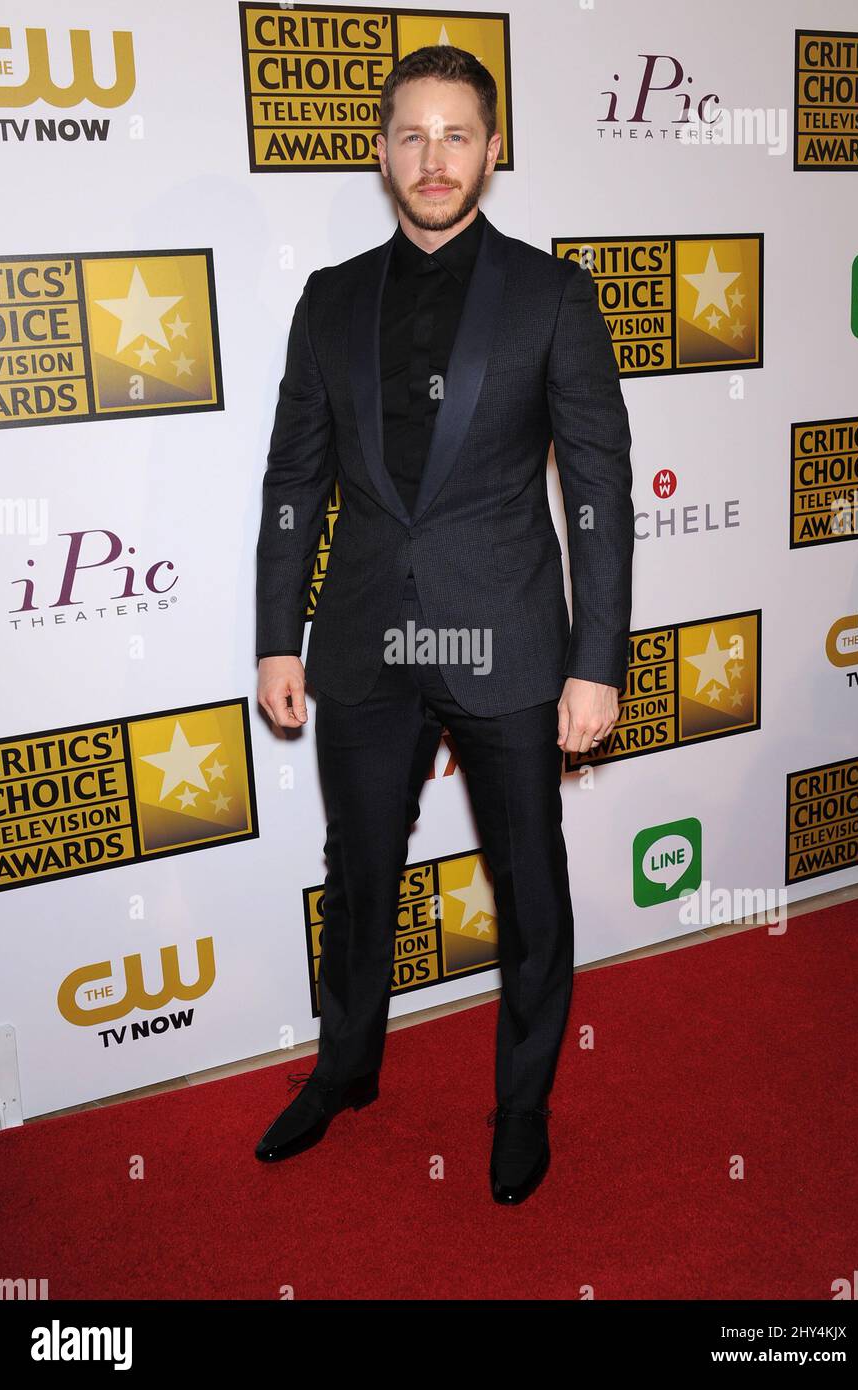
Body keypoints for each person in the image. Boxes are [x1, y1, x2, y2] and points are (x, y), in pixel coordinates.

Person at [253, 44, 634, 1204]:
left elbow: (600, 489)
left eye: (456, 134)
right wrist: (277, 634)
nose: (434, 158)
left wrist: (596, 660)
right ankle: (346, 1067)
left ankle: (522, 1102)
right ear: (381, 152)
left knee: (529, 881)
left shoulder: (552, 294)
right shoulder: (328, 298)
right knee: (358, 872)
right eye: (411, 136)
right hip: (367, 644)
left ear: (493, 148)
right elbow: (294, 480)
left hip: (507, 637)